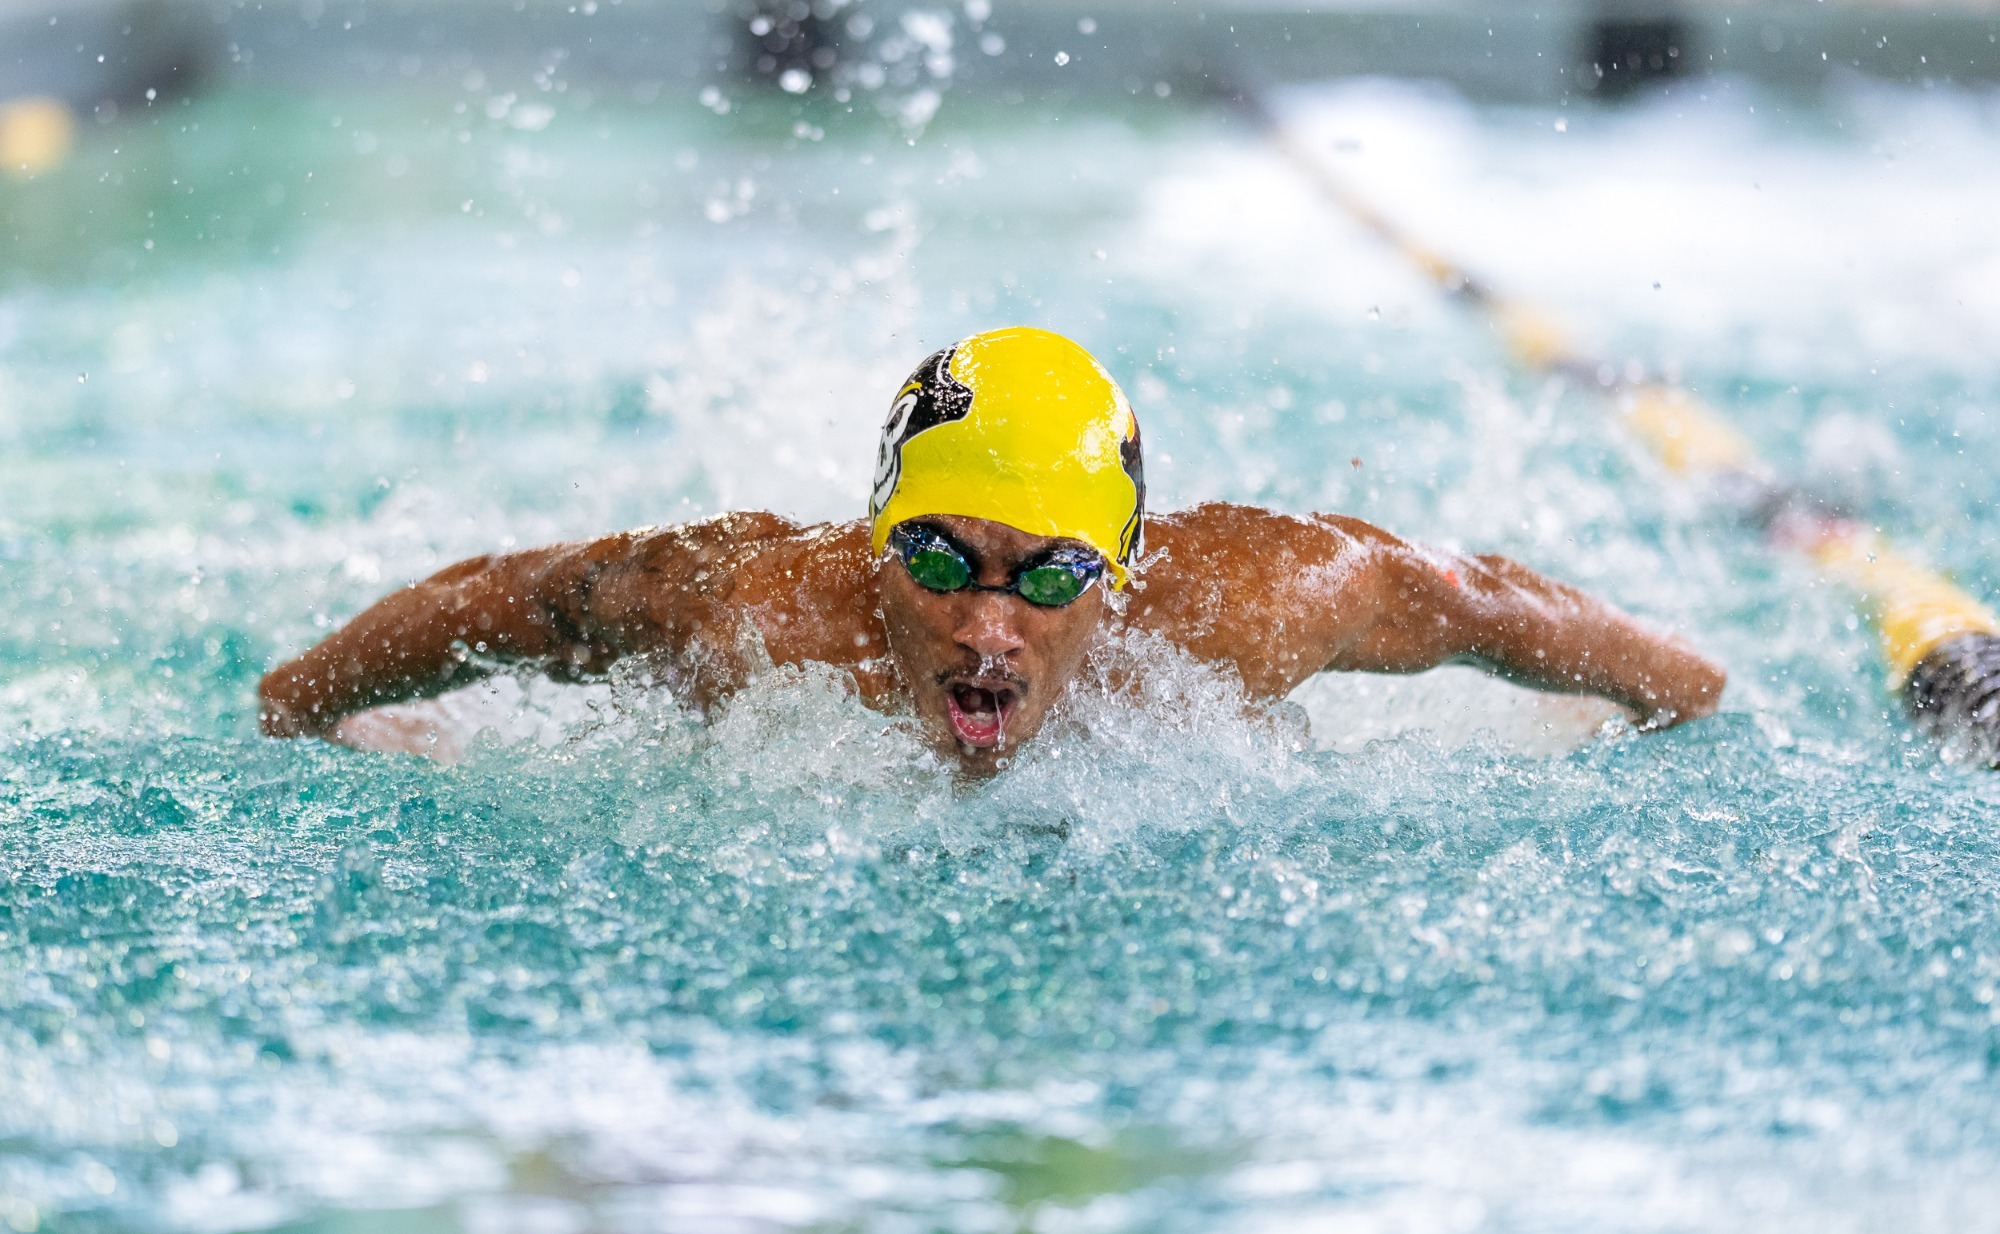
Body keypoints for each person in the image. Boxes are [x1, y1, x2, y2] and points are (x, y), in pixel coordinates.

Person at [259, 327, 1725, 771]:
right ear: (875, 546)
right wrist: (304, 705)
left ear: (1119, 578)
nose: (987, 625)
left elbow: (1462, 597)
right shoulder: (762, 612)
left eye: (1049, 573)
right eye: (943, 562)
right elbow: (518, 599)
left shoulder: (1241, 615)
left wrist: (1684, 691)